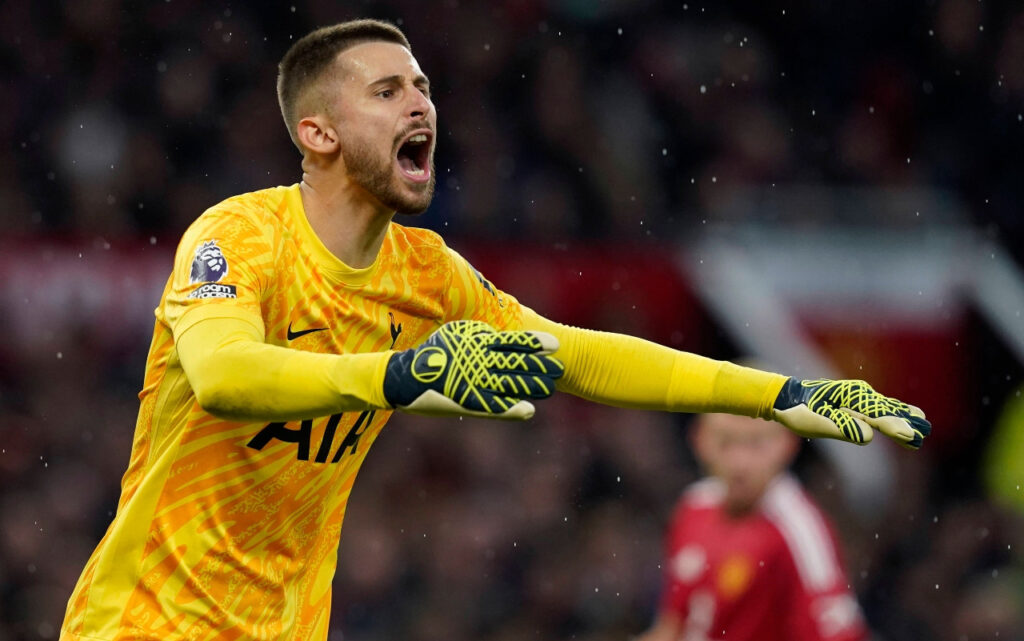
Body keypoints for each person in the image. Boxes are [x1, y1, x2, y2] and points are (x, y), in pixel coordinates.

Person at [59, 19, 930, 641]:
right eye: (387, 90)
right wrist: (398, 375)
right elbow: (223, 374)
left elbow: (582, 357)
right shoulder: (239, 234)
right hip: (142, 620)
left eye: (425, 88)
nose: (420, 105)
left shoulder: (426, 273)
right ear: (315, 131)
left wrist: (783, 393)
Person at [636, 412, 868, 641]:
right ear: (699, 439)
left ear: (787, 444)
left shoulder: (800, 531)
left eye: (756, 443)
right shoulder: (693, 508)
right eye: (726, 441)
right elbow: (674, 625)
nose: (740, 463)